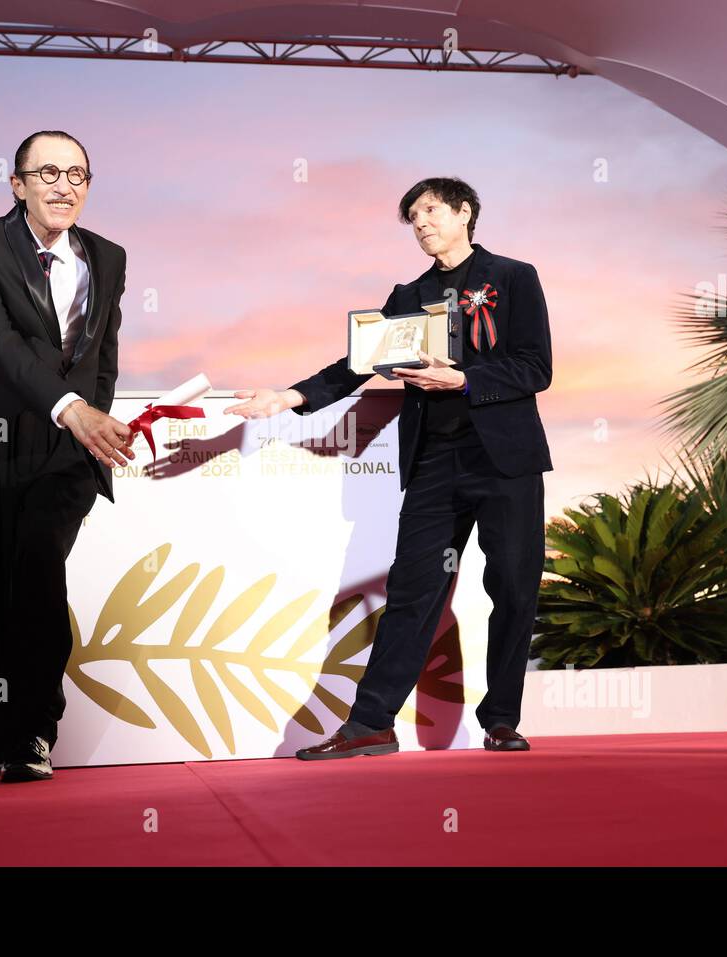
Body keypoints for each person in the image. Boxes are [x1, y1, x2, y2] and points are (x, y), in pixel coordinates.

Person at [227, 177, 552, 759]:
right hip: (434, 460)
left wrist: (465, 379)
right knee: (410, 589)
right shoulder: (409, 294)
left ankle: (501, 719)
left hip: (506, 460)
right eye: (413, 217)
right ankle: (372, 723)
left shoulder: (513, 276)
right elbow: (356, 365)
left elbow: (536, 367)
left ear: (464, 213)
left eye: (430, 210)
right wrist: (290, 397)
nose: (421, 223)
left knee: (512, 588)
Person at [0, 130, 135, 782]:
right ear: (17, 183)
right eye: (48, 172)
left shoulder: (108, 257)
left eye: (78, 173)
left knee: (37, 569)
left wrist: (88, 425)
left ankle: (34, 731)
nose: (64, 185)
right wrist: (69, 404)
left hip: (64, 453)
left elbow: (102, 356)